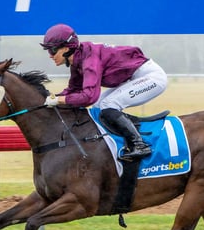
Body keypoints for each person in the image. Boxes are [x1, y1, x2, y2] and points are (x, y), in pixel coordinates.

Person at [40, 23, 168, 161]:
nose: (50, 55)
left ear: (66, 48)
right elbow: (73, 90)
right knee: (99, 107)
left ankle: (139, 144)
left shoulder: (89, 60)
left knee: (108, 104)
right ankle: (114, 142)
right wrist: (50, 98)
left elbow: (89, 97)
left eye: (52, 50)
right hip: (133, 77)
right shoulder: (78, 59)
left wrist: (60, 100)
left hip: (151, 77)